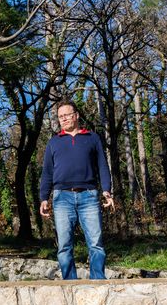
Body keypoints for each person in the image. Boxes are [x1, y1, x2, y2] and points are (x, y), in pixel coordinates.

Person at [38, 101, 114, 280]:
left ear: (76, 115)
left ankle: (98, 282)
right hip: (61, 198)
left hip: (89, 195)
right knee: (64, 245)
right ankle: (69, 284)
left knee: (96, 244)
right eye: (60, 116)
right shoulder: (54, 142)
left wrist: (106, 190)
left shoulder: (92, 138)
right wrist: (43, 198)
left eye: (67, 115)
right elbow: (47, 172)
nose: (63, 119)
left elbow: (102, 165)